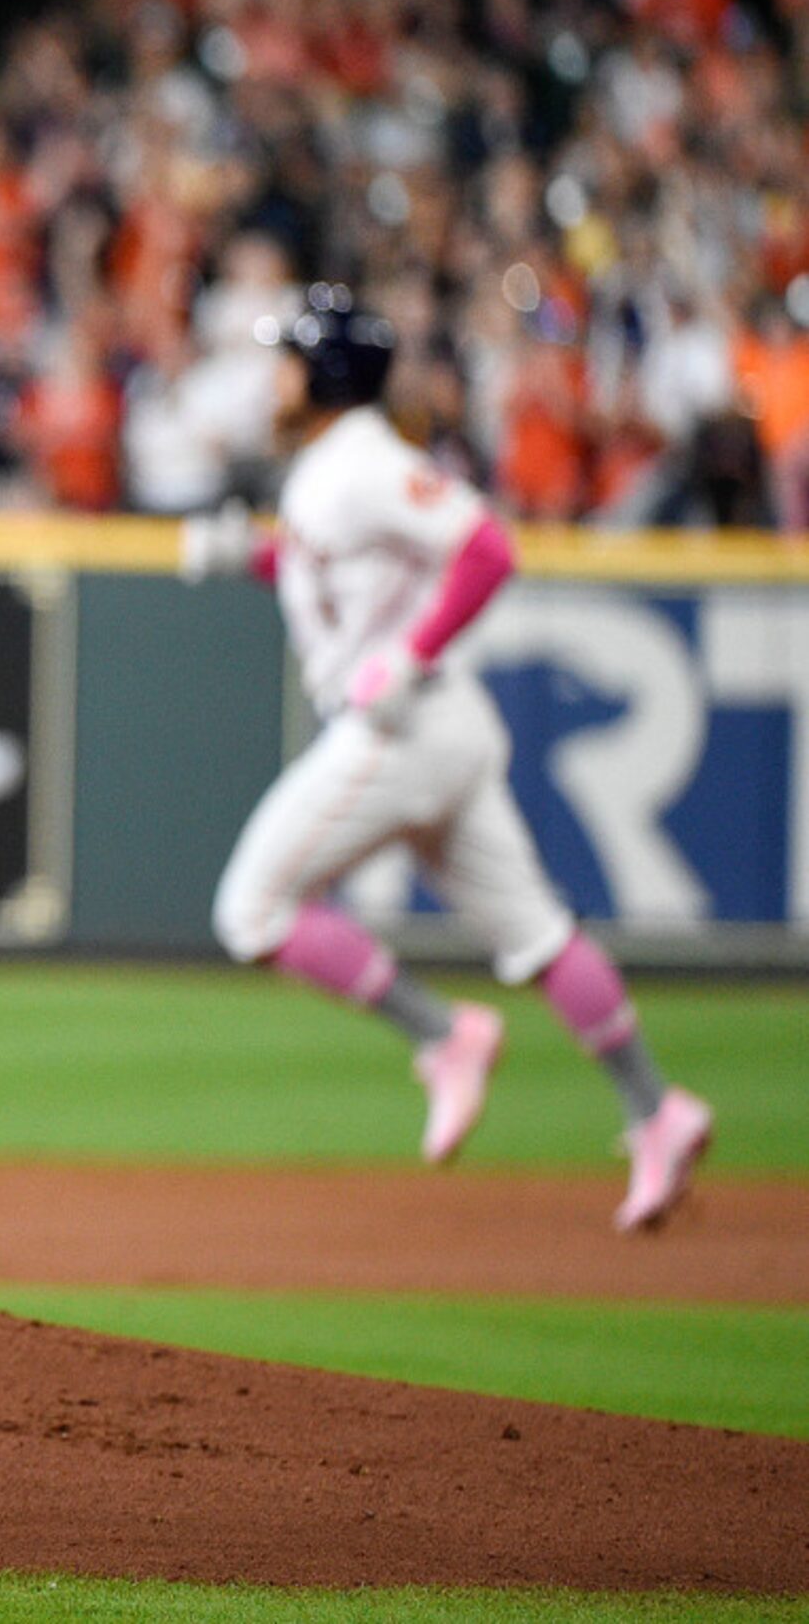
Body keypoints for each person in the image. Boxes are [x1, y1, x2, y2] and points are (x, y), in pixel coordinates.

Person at [181, 284, 712, 1233]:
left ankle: (445, 1036)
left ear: (327, 375)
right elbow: (329, 568)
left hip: (399, 731)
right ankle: (654, 1111)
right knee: (540, 936)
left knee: (249, 909)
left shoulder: (363, 462)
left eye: (288, 358)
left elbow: (485, 550)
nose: (274, 375)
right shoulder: (324, 470)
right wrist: (249, 559)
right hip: (438, 730)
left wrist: (411, 653)